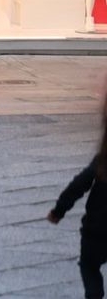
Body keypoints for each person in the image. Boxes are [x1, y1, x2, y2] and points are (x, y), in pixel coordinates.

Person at [49, 121, 107, 299]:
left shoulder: (102, 161)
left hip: (97, 229)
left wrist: (59, 211)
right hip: (97, 229)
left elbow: (78, 185)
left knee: (89, 266)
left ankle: (94, 295)